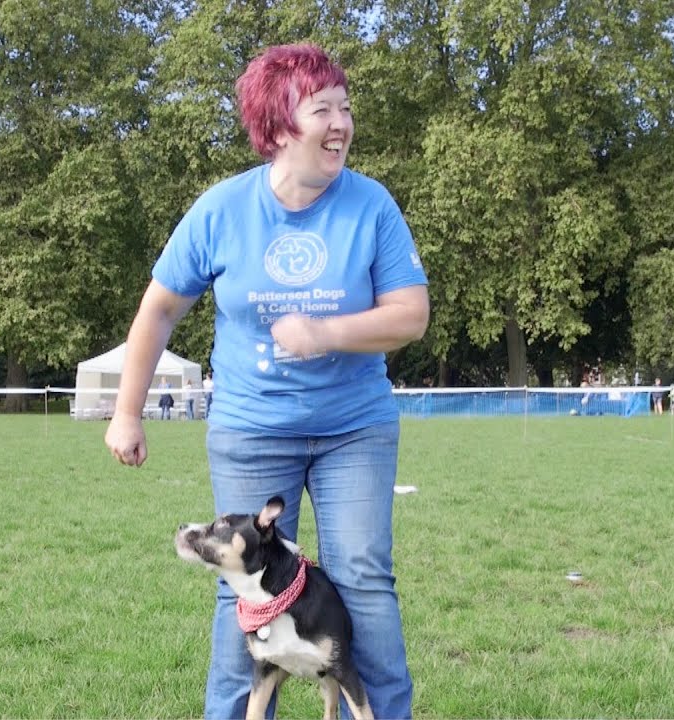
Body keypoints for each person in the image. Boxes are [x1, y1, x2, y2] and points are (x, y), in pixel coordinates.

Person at [104, 43, 428, 720]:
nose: (341, 123)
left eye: (346, 107)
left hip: (354, 427)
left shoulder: (371, 206)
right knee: (240, 587)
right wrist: (126, 411)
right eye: (323, 110)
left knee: (364, 582)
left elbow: (410, 315)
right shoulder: (223, 211)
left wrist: (325, 333)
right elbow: (159, 308)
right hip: (252, 429)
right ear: (279, 126)